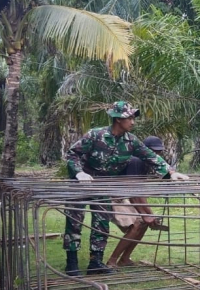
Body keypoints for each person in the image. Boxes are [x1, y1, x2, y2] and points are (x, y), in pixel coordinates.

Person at [63, 101, 187, 276]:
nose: (133, 121)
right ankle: (72, 262)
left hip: (104, 185)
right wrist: (78, 173)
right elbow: (72, 153)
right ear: (118, 119)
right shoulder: (95, 135)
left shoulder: (131, 141)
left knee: (102, 222)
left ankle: (95, 262)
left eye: (133, 117)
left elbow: (150, 156)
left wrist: (170, 172)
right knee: (74, 221)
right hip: (82, 182)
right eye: (129, 117)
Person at [106, 136, 183, 268]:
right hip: (114, 196)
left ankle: (125, 259)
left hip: (126, 196)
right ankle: (112, 261)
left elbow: (139, 194)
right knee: (136, 225)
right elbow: (134, 193)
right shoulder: (136, 161)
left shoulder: (146, 164)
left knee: (143, 223)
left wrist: (150, 215)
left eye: (159, 152)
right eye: (154, 151)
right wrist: (145, 215)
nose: (157, 154)